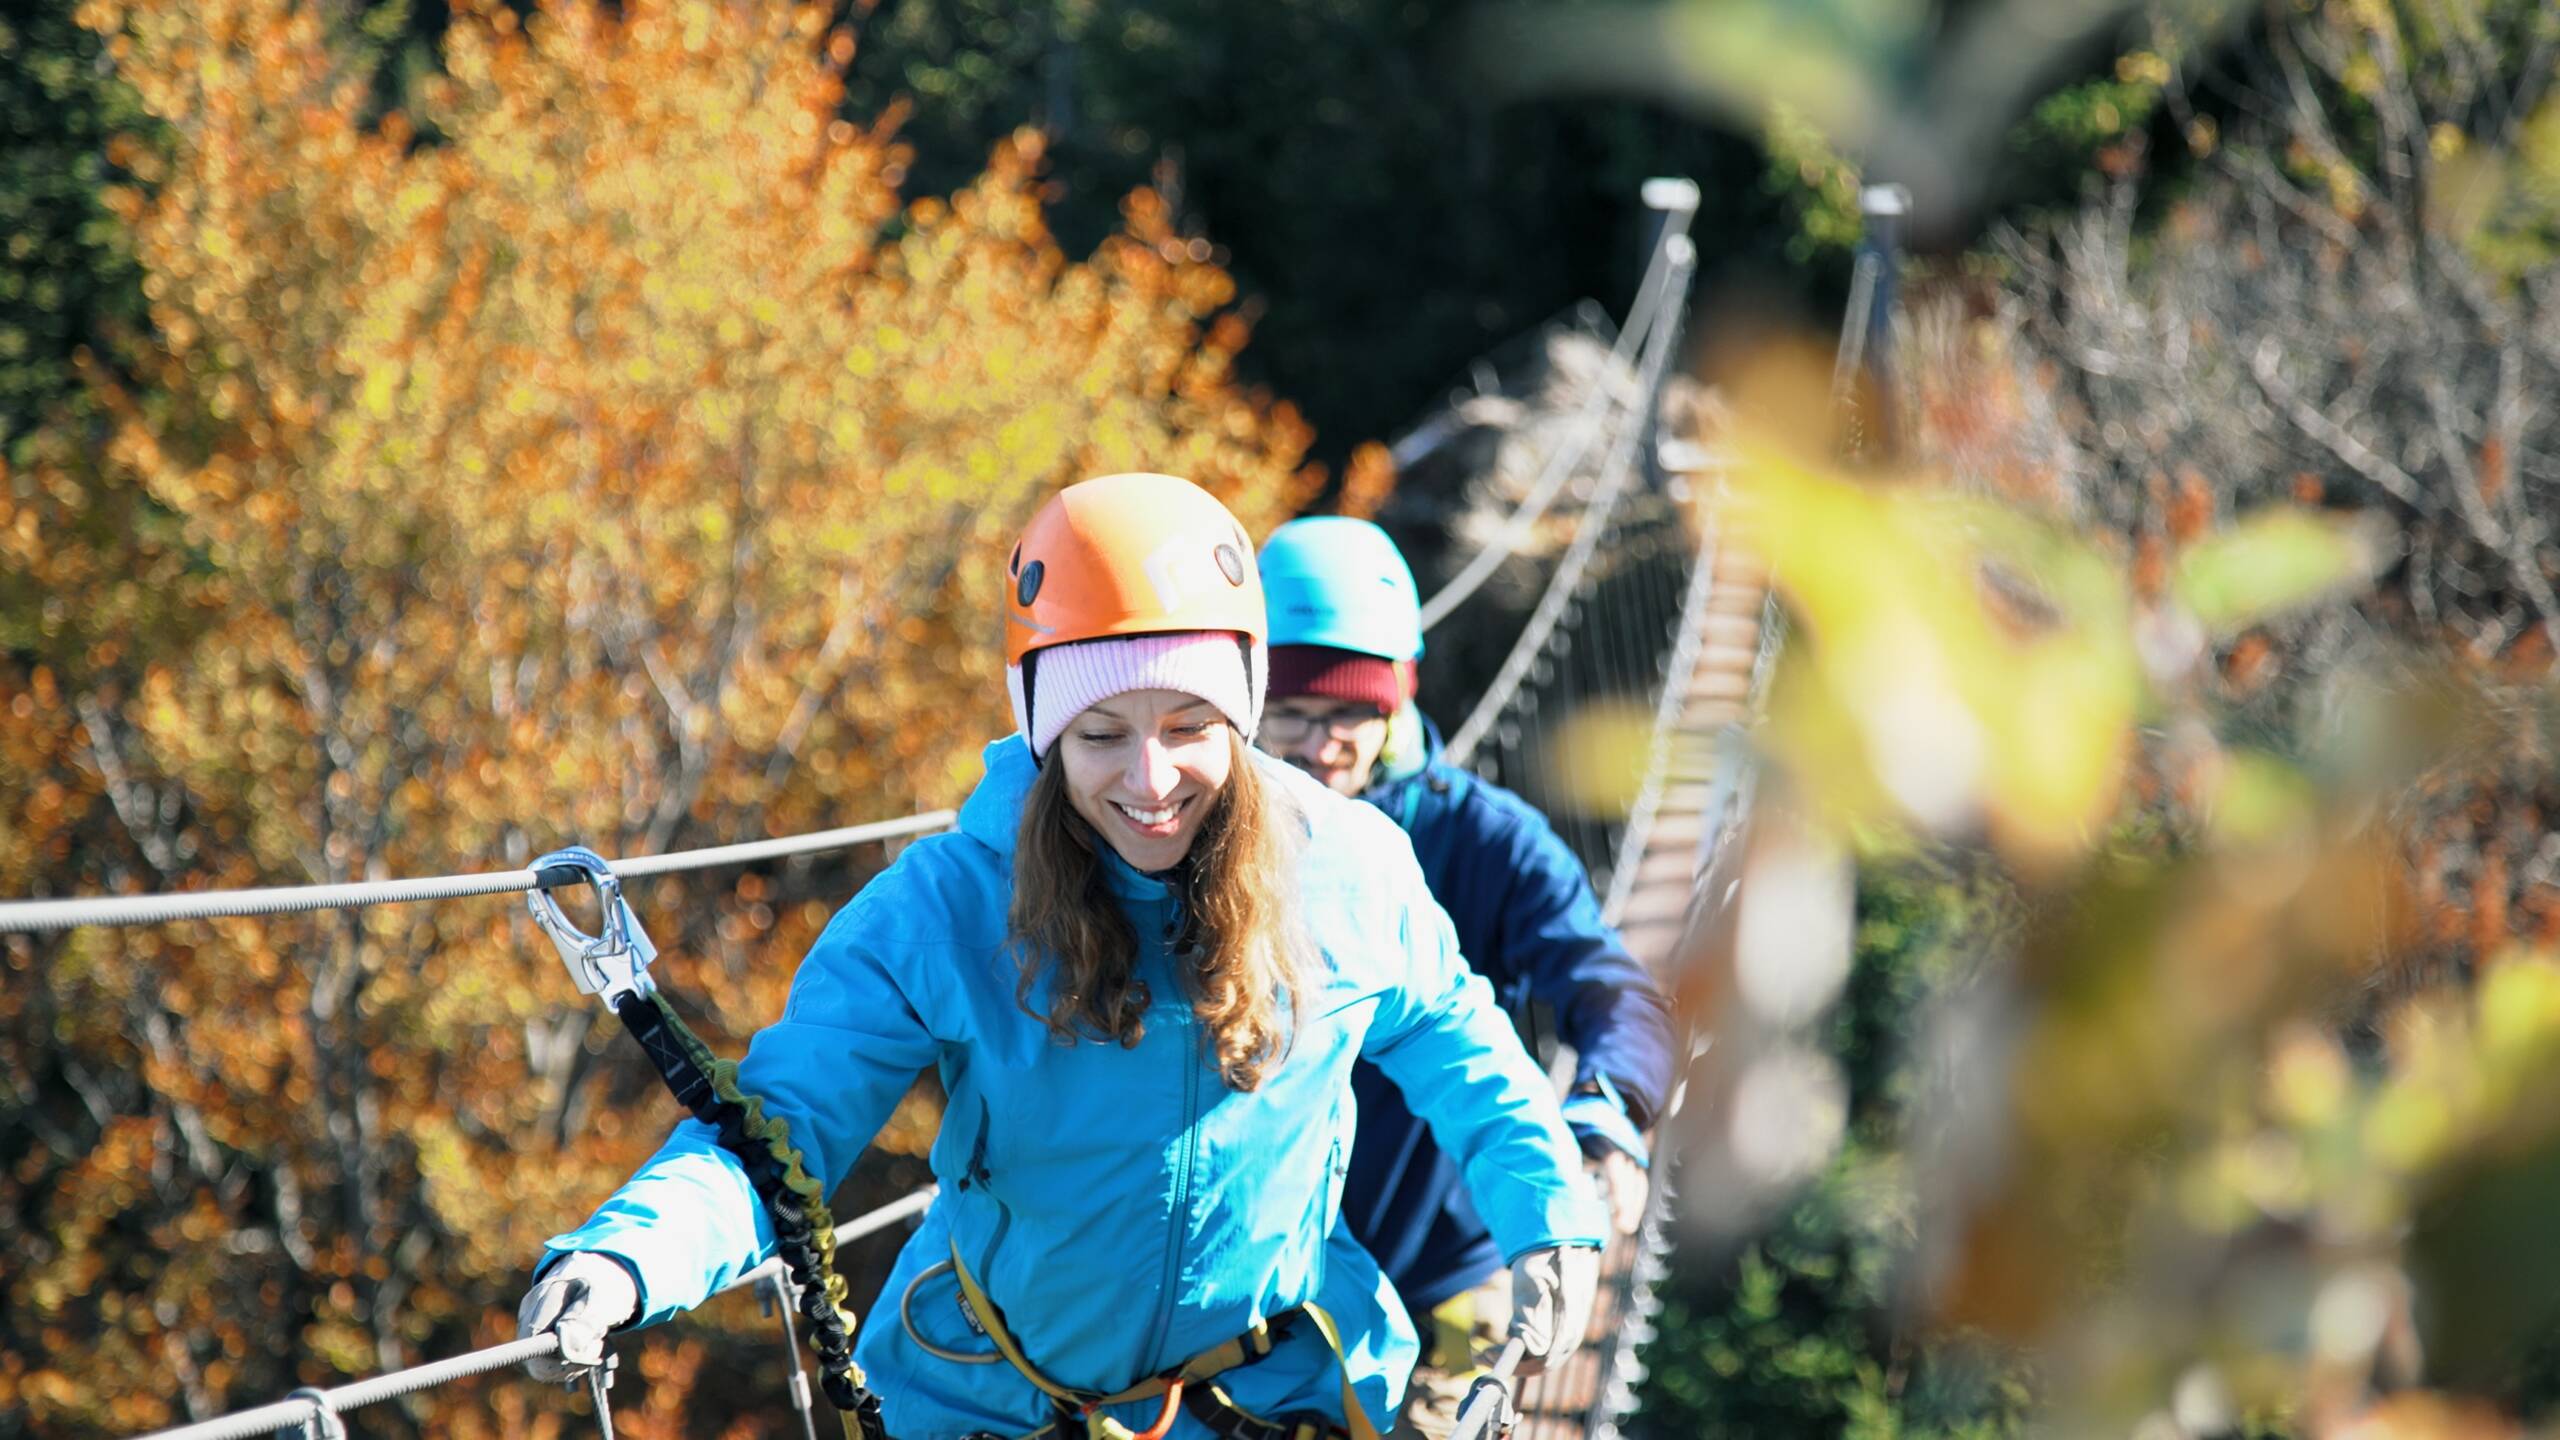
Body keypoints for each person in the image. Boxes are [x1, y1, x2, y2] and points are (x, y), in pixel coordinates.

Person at [515, 474, 1605, 1440]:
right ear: (1039, 735)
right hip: (996, 1399)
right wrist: (626, 1259)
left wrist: (1547, 1217)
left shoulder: (1349, 873)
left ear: (1245, 713)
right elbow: (783, 1126)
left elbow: (1464, 1049)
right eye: (1098, 734)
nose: (1150, 779)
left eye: (1189, 723)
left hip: (1268, 1396)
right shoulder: (946, 908)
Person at [1254, 516, 1679, 1437]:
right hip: (1261, 1284)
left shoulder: (1479, 840)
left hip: (1448, 1269)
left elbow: (1611, 990)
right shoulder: (1204, 840)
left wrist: (1609, 1108)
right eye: (1289, 712)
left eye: (1355, 713)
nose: (1320, 744)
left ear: (1398, 703)